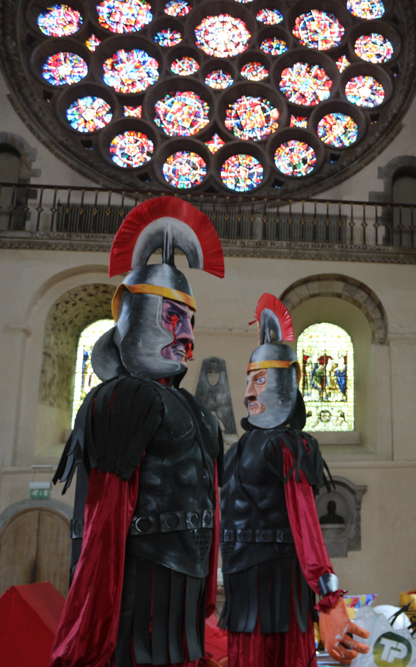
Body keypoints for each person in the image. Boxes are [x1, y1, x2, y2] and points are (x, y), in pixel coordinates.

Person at [49, 196, 226, 667]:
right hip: (136, 594)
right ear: (136, 318)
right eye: (172, 316)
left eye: (190, 320)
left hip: (186, 594)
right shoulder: (124, 398)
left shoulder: (198, 412)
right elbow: (104, 521)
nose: (187, 334)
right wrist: (92, 627)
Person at [219, 294, 369, 666]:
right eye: (249, 380)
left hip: (280, 592)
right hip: (240, 593)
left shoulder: (288, 445)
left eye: (260, 381)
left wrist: (330, 602)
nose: (249, 393)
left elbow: (306, 526)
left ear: (282, 385)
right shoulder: (234, 453)